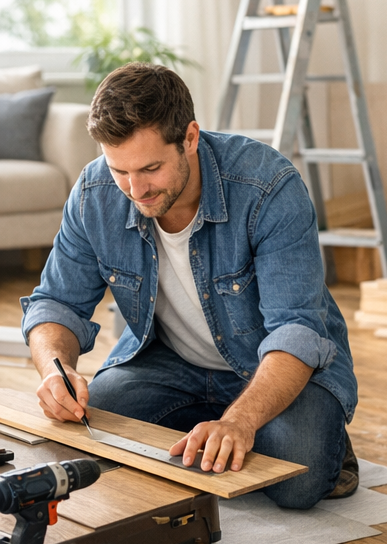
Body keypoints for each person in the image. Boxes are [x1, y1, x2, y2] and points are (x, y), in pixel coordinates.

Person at [22, 62, 360, 509]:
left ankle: (315, 436)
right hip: (171, 363)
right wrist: (54, 369)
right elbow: (56, 304)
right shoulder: (94, 193)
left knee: (297, 481)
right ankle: (212, 428)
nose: (135, 188)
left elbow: (295, 331)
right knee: (92, 432)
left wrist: (240, 421)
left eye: (150, 168)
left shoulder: (269, 186)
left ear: (190, 138)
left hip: (268, 367)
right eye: (119, 170)